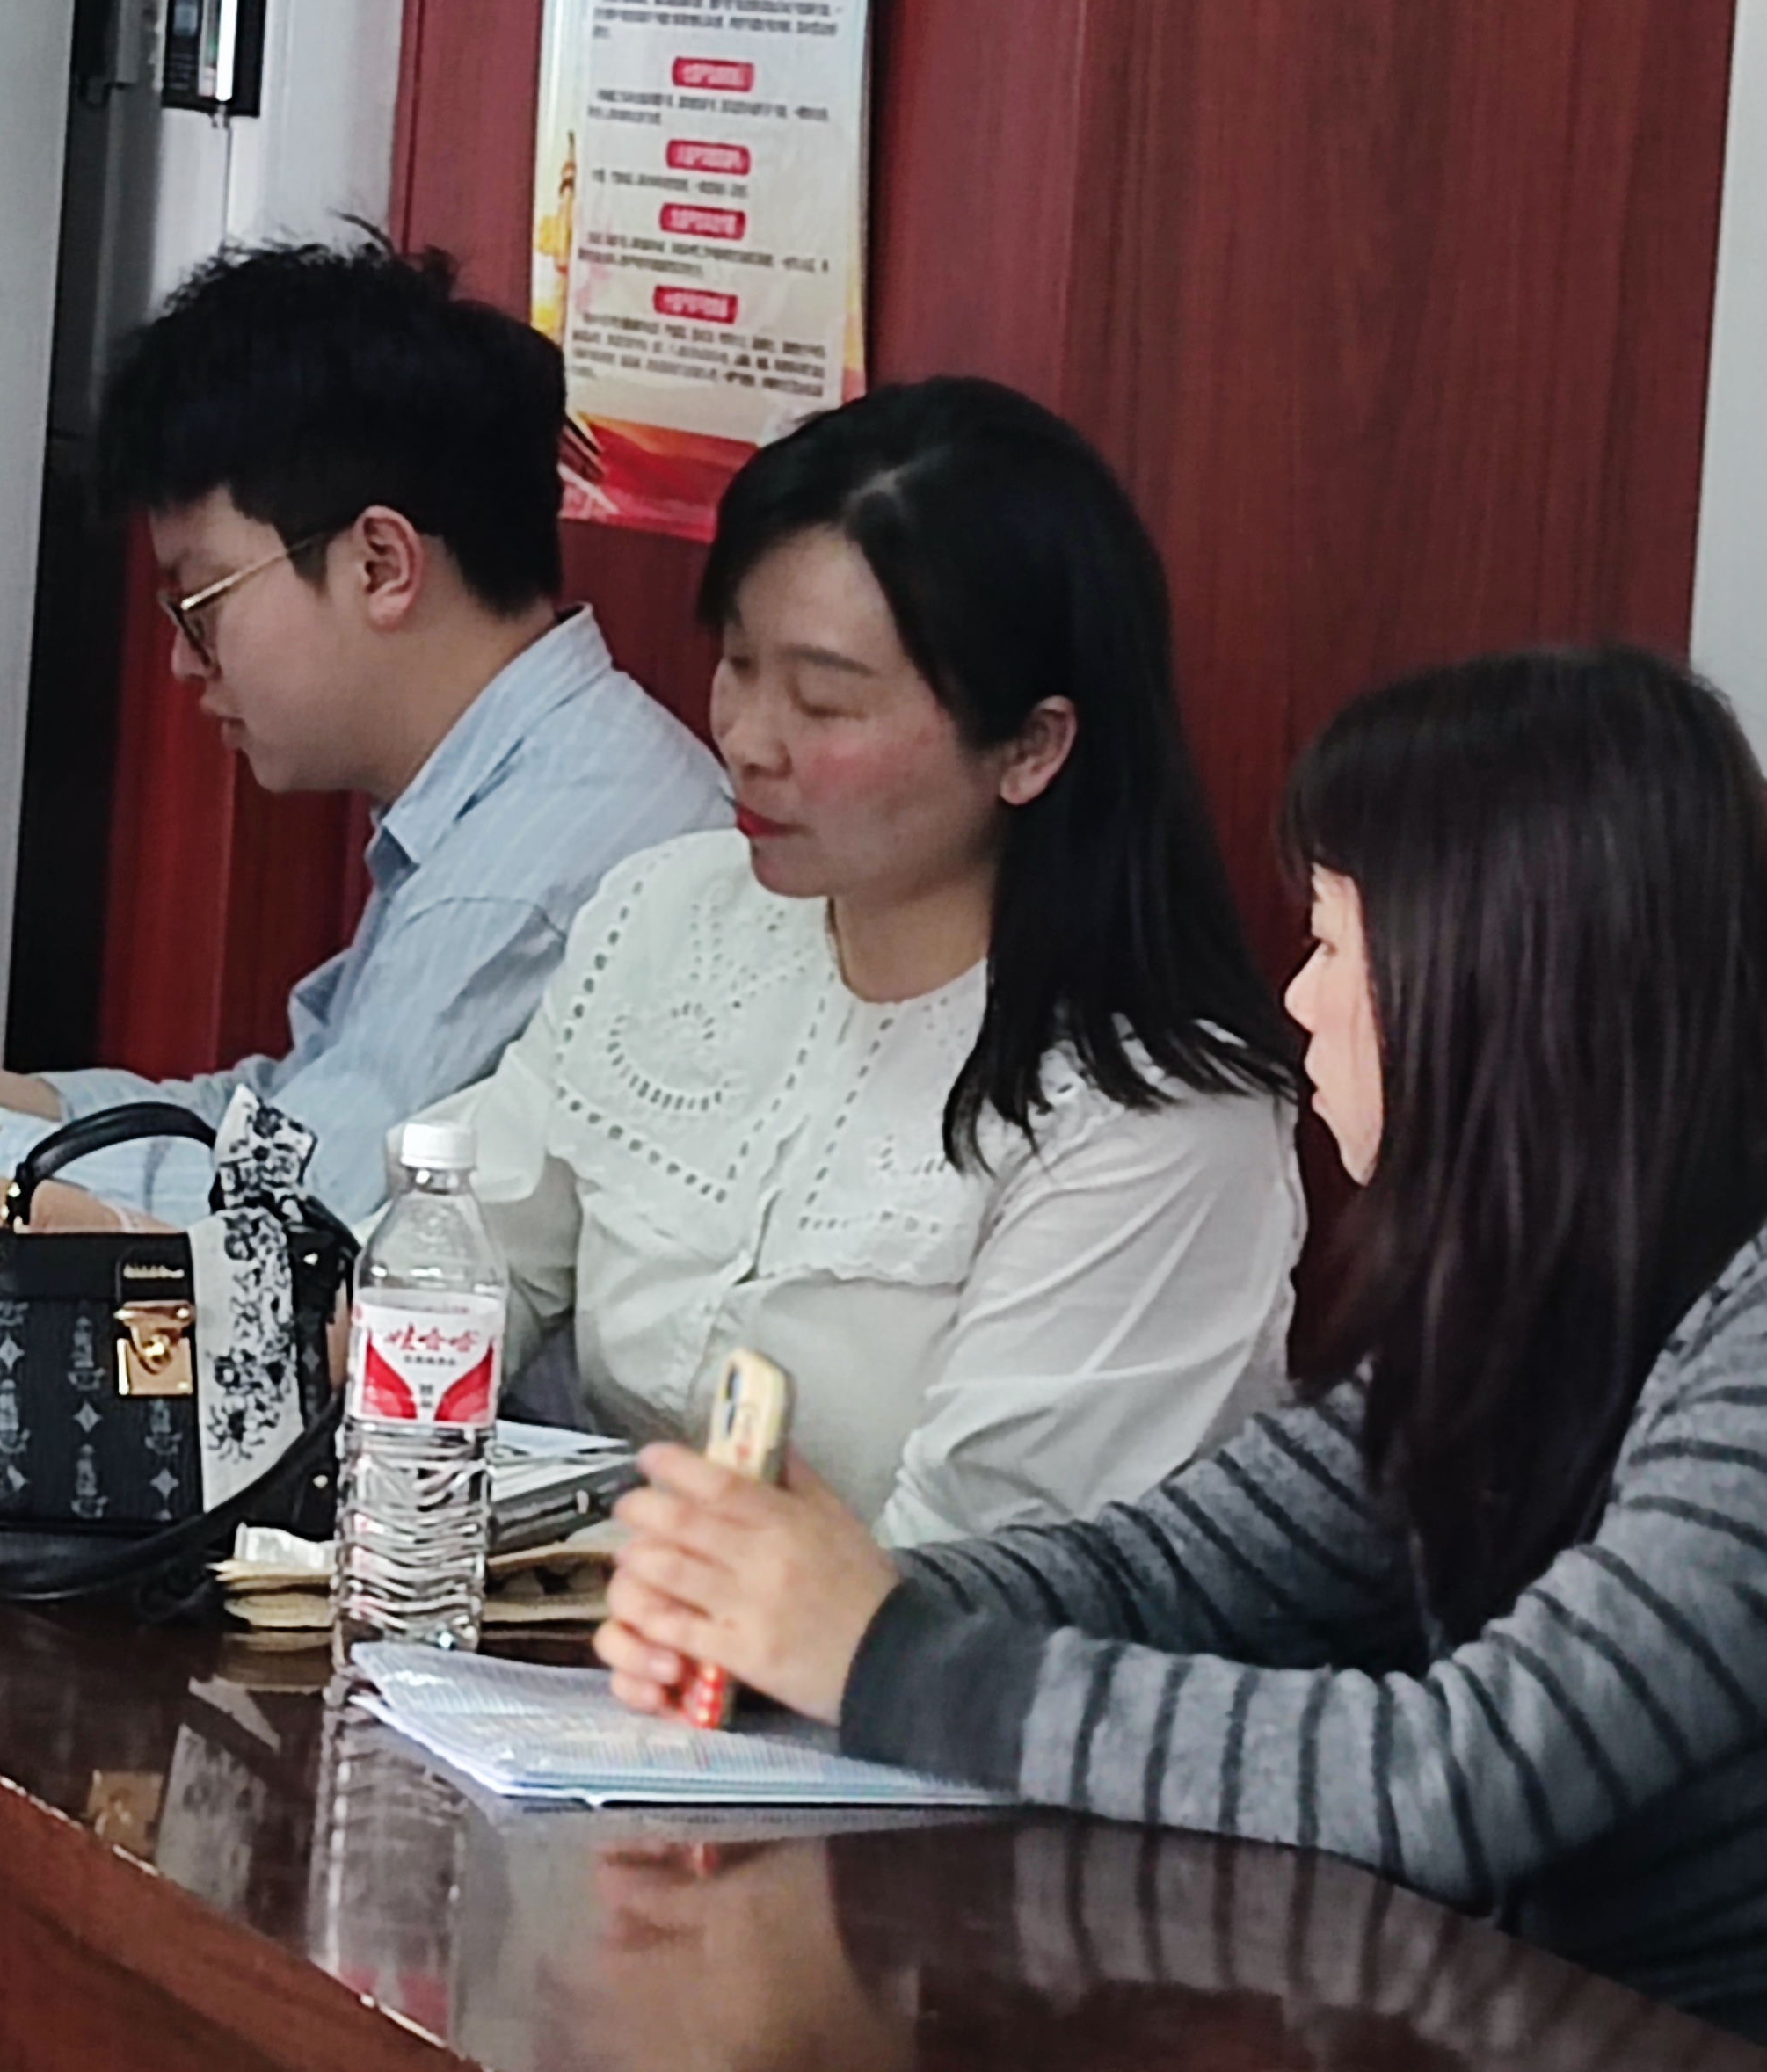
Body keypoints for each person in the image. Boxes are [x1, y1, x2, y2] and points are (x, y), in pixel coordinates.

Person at [603, 642, 1767, 2043]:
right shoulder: (1555, 1269)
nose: (1298, 997)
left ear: (1495, 976)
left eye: (1331, 940)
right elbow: (1171, 1573)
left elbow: (1457, 1779)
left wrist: (880, 1653)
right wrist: (783, 1612)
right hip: (1516, 2056)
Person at [0, 233, 725, 1221]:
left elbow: (292, 1217)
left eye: (201, 604)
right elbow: (266, 1121)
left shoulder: (527, 876)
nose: (183, 662)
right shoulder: (514, 788)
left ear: (380, 565)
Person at [438, 376, 1309, 1538]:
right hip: (593, 1623)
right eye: (737, 663)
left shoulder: (1152, 1119)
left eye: (822, 703)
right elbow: (467, 1255)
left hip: (891, 1651)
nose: (745, 741)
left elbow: (977, 1574)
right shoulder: (669, 912)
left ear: (1030, 746)